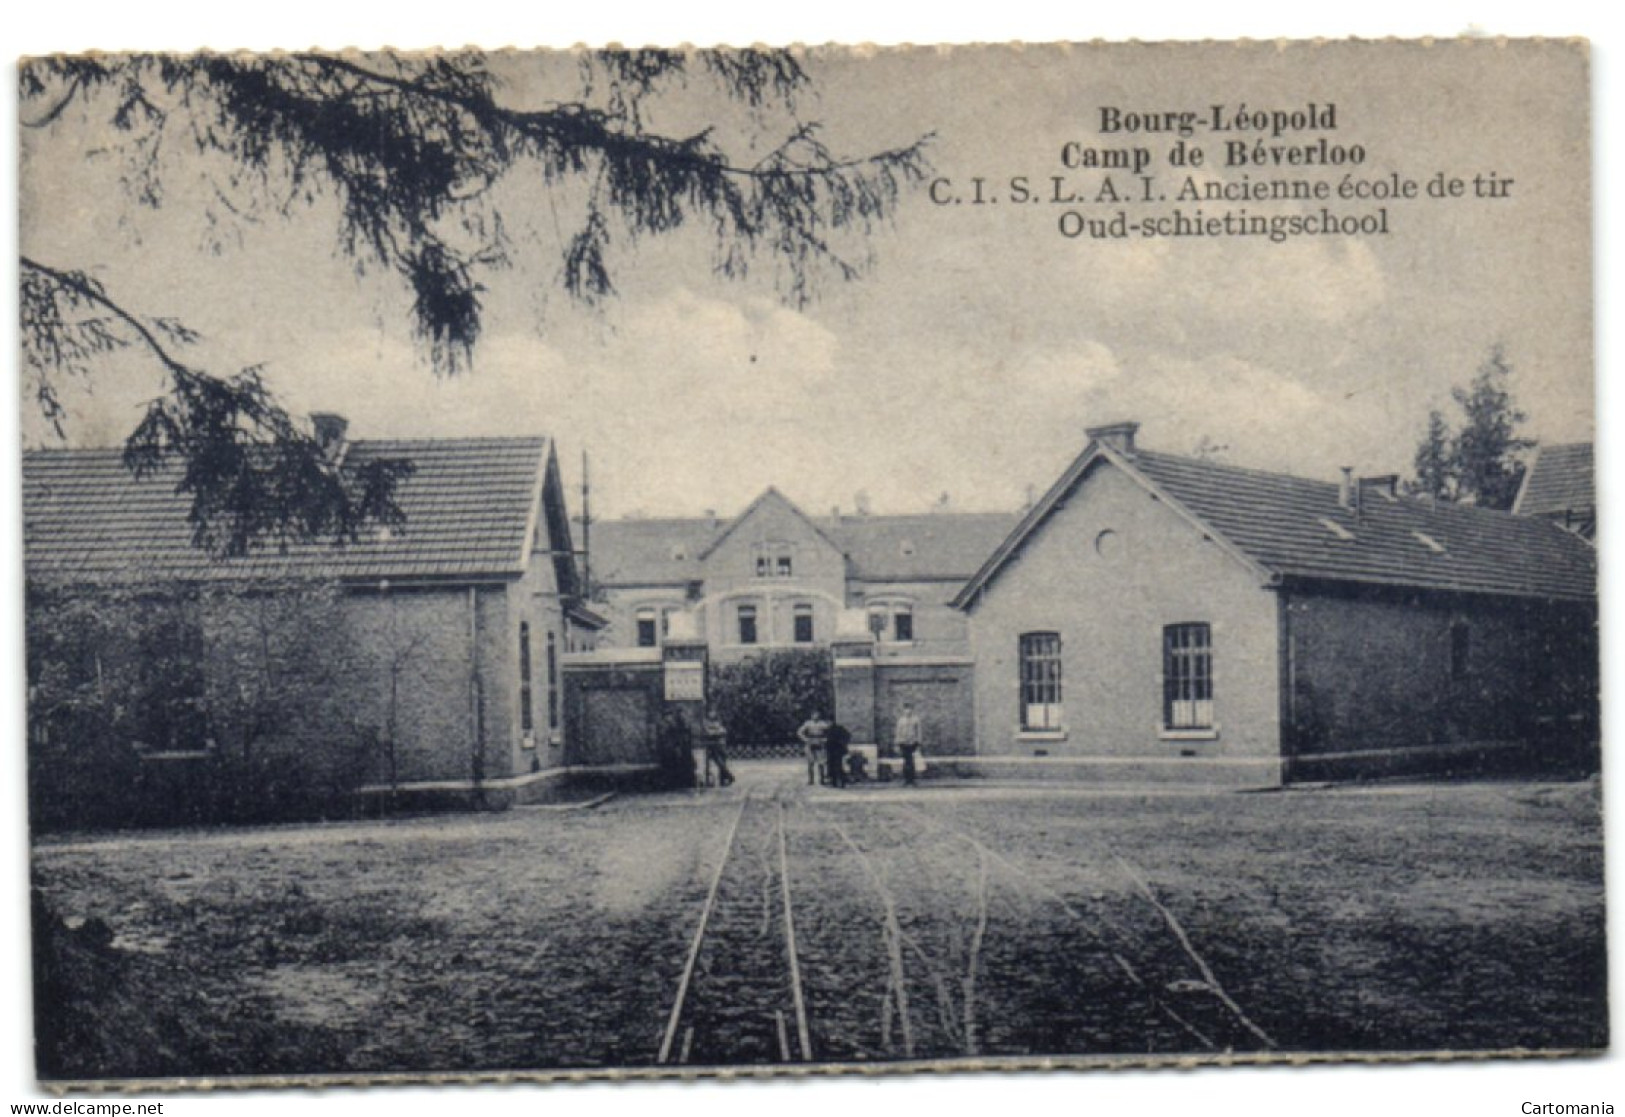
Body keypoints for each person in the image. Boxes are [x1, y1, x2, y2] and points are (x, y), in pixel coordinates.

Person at [657, 708, 695, 788]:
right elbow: (665, 736)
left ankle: (682, 782)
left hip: (677, 747)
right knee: (670, 766)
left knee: (680, 764)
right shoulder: (665, 724)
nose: (670, 717)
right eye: (668, 715)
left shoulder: (676, 723)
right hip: (669, 749)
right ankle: (672, 783)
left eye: (670, 715)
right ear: (665, 716)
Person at [701, 707, 735, 787]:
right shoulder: (705, 722)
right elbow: (708, 732)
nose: (712, 714)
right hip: (712, 744)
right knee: (717, 760)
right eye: (711, 712)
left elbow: (723, 731)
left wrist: (716, 732)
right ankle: (728, 775)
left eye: (713, 712)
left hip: (720, 743)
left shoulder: (718, 721)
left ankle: (723, 778)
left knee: (722, 759)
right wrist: (717, 732)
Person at [796, 710, 831, 785]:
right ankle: (811, 780)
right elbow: (799, 732)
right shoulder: (808, 723)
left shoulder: (823, 723)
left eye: (817, 714)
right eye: (814, 715)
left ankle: (822, 780)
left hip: (820, 742)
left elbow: (829, 732)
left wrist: (825, 739)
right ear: (811, 715)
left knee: (821, 761)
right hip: (810, 741)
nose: (816, 716)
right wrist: (805, 739)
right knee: (810, 762)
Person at [893, 702, 924, 786]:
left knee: (911, 761)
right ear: (903, 710)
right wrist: (897, 743)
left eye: (909, 709)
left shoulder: (916, 720)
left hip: (913, 742)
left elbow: (918, 732)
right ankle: (906, 779)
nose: (908, 711)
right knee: (906, 761)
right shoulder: (901, 721)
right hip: (903, 742)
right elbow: (898, 732)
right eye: (906, 709)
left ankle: (912, 779)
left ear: (912, 710)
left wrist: (919, 743)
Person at [824, 720, 851, 789]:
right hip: (836, 750)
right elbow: (847, 736)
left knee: (834, 766)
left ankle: (836, 781)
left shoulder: (831, 730)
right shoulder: (838, 729)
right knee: (837, 766)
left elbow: (828, 740)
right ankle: (839, 781)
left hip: (834, 750)